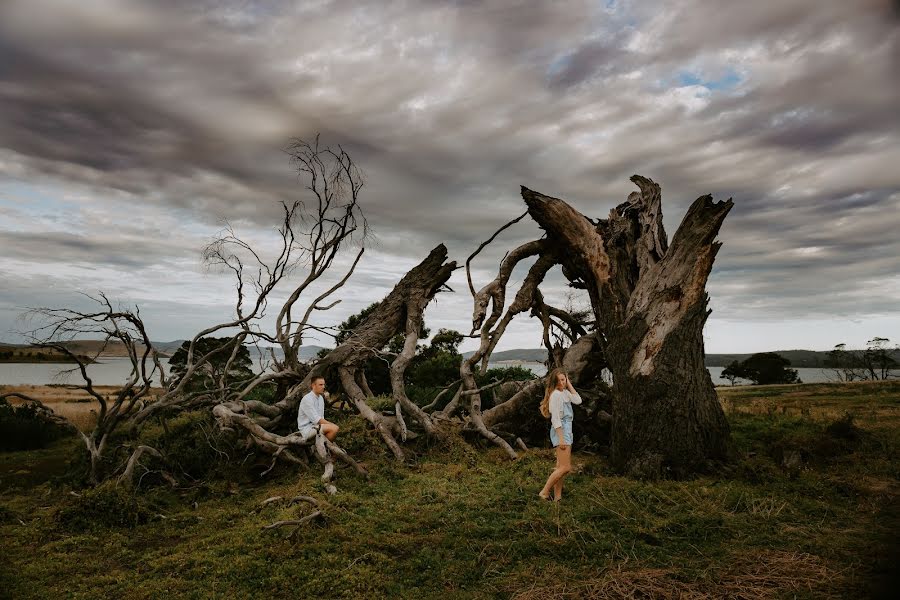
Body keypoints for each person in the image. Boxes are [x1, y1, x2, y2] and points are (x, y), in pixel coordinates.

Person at [538, 368, 581, 501]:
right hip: (561, 430)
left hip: (567, 429)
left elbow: (578, 400)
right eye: (559, 380)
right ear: (554, 382)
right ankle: (544, 492)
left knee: (560, 466)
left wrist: (568, 384)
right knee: (565, 467)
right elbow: (555, 418)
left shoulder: (565, 393)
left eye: (563, 379)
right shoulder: (556, 395)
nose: (562, 383)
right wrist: (561, 438)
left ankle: (558, 497)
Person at [297, 375, 339, 442]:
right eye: (320, 385)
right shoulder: (307, 399)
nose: (323, 387)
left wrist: (329, 425)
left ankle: (322, 445)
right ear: (313, 385)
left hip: (317, 426)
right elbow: (317, 419)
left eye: (324, 385)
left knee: (334, 429)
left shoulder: (320, 398)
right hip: (307, 429)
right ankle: (322, 447)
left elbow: (321, 417)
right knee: (334, 429)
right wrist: (331, 425)